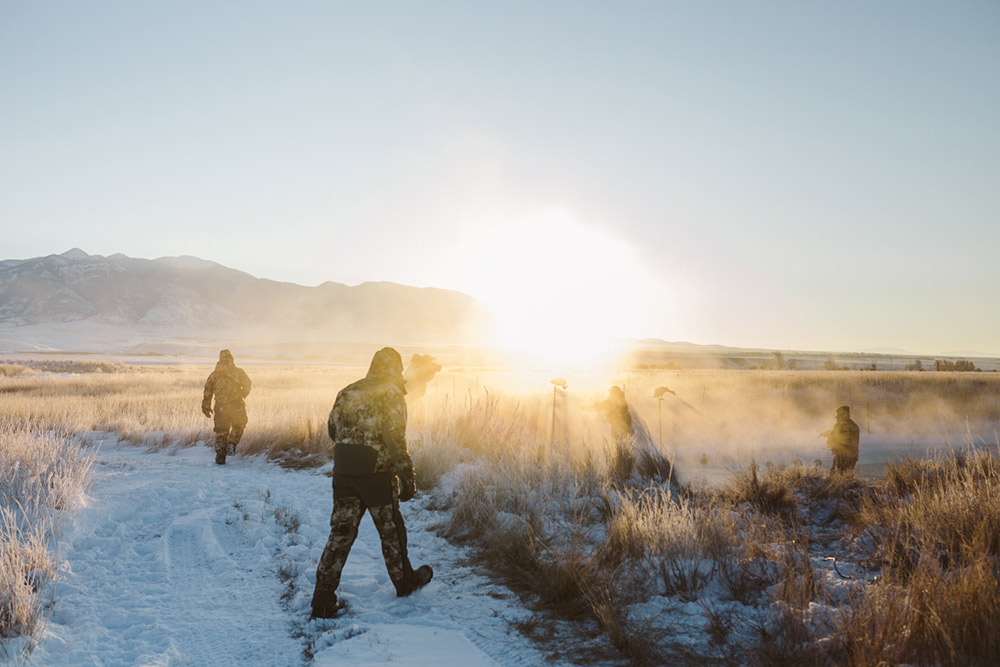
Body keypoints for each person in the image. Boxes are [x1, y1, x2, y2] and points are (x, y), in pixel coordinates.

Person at [311, 347, 433, 619]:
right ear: (396, 369)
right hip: (376, 476)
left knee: (340, 536)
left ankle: (322, 598)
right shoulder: (392, 394)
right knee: (392, 533)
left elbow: (333, 430)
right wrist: (407, 474)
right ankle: (405, 583)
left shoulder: (347, 391)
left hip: (344, 473)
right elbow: (395, 438)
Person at [202, 349, 252, 465]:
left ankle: (220, 457)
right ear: (232, 358)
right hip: (237, 405)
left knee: (221, 431)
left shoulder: (214, 375)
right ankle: (232, 443)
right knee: (240, 425)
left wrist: (206, 406)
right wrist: (242, 395)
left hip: (220, 407)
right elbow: (248, 385)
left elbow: (207, 391)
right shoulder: (239, 372)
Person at [820, 405, 860, 474]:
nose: (837, 417)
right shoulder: (853, 425)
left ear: (844, 415)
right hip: (852, 456)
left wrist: (830, 439)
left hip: (842, 456)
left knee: (836, 477)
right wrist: (828, 434)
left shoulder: (841, 425)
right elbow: (843, 436)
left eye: (838, 415)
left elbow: (839, 439)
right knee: (847, 478)